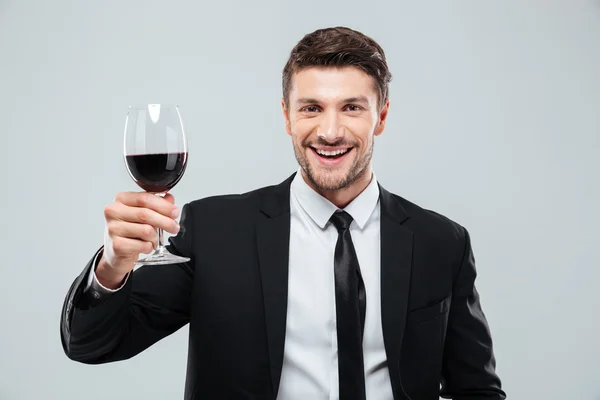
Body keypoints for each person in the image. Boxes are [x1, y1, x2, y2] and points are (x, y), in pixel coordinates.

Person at [60, 26, 506, 400]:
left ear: (382, 116)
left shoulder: (440, 242)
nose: (330, 132)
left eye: (351, 108)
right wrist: (113, 268)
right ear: (287, 117)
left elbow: (478, 390)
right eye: (311, 108)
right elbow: (91, 344)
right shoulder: (213, 232)